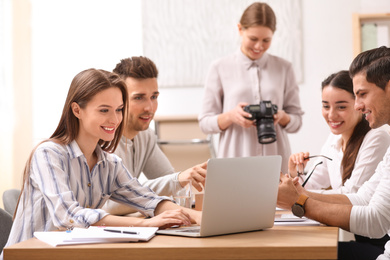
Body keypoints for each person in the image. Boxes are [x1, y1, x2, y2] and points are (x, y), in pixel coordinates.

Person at [1, 69, 201, 257]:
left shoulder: (110, 163)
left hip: (74, 256)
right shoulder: (48, 154)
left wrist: (198, 218)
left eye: (119, 109)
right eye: (104, 110)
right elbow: (68, 217)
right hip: (31, 257)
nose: (114, 119)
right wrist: (146, 225)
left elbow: (149, 200)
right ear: (77, 110)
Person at [277, 46, 390, 260]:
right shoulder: (335, 140)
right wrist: (296, 191)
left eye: (362, 95)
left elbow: (376, 220)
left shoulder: (378, 137)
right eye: (325, 106)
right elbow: (364, 198)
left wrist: (299, 201)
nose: (358, 106)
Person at [198, 2, 303, 173]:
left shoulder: (284, 68)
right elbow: (204, 123)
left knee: (278, 200)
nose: (259, 46)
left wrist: (282, 117)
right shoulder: (219, 67)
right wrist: (231, 116)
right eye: (253, 39)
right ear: (240, 29)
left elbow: (297, 121)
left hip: (276, 162)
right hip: (234, 161)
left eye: (266, 40)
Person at [102, 57, 207, 215]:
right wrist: (177, 180)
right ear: (119, 100)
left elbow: (170, 181)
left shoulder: (146, 136)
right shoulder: (103, 139)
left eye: (154, 97)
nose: (149, 107)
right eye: (139, 98)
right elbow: (110, 204)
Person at [288, 70, 390, 194]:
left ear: (358, 105)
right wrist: (296, 173)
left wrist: (302, 193)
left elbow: (353, 193)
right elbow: (312, 185)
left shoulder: (377, 137)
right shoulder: (333, 138)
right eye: (326, 106)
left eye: (341, 107)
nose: (331, 115)